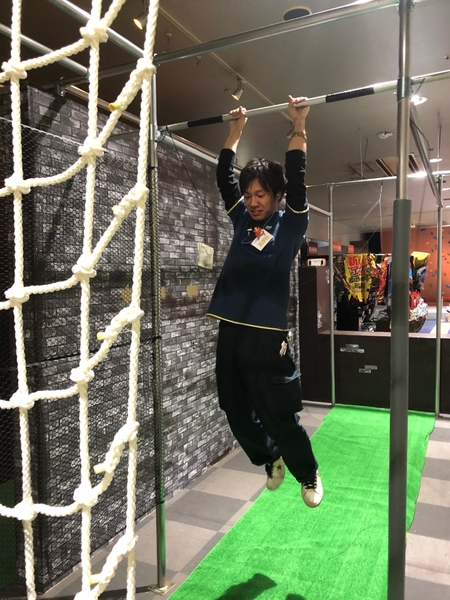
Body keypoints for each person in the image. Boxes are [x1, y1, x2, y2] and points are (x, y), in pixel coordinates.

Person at [206, 96, 323, 508]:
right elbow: (223, 178)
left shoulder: (290, 225)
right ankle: (270, 458)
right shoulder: (242, 220)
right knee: (234, 407)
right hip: (232, 330)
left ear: (275, 196)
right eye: (249, 195)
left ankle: (307, 473)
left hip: (268, 336)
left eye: (261, 195)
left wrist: (299, 127)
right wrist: (235, 132)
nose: (253, 201)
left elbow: (298, 178)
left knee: (277, 412)